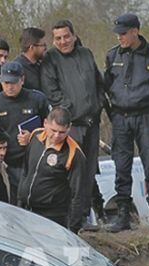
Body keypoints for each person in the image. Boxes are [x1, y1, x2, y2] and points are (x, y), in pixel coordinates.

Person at [104, 13, 149, 235]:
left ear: (135, 31)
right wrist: (114, 112)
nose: (119, 37)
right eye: (118, 34)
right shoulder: (112, 55)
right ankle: (123, 215)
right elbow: (107, 86)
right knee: (121, 165)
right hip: (120, 117)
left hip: (146, 116)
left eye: (124, 33)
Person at [41, 20, 105, 230]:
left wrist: (98, 105)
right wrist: (71, 110)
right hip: (70, 125)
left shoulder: (86, 54)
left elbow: (98, 83)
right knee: (70, 172)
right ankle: (67, 218)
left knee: (88, 172)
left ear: (74, 36)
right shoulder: (50, 58)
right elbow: (52, 91)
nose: (63, 41)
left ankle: (83, 216)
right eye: (58, 38)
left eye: (66, 36)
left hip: (92, 123)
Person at [0, 61, 50, 204]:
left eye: (13, 82)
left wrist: (33, 137)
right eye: (6, 82)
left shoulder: (37, 99)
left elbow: (51, 128)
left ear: (22, 80)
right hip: (5, 162)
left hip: (33, 160)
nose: (10, 87)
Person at [18, 107, 88, 232]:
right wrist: (20, 199)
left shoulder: (74, 154)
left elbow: (78, 194)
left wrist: (73, 228)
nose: (56, 136)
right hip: (26, 209)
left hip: (53, 215)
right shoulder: (36, 136)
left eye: (62, 132)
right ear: (45, 123)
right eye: (53, 130)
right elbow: (26, 170)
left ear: (69, 128)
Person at [13, 27, 47, 92]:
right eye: (43, 45)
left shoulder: (41, 65)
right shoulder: (17, 68)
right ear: (32, 47)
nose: (45, 48)